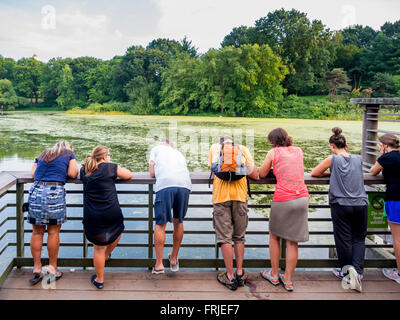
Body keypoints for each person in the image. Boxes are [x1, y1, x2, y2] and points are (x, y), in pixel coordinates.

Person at [311, 127, 368, 292]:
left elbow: (315, 173)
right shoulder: (358, 159)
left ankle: (347, 274)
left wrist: (331, 173)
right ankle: (358, 272)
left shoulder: (332, 159)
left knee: (343, 239)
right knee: (359, 239)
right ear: (347, 146)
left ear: (332, 146)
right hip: (361, 203)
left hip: (341, 205)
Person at [258, 128, 309, 292]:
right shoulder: (298, 150)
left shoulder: (273, 152)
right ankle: (287, 279)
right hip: (301, 197)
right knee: (292, 241)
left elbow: (262, 172)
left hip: (283, 198)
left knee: (274, 237)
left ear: (273, 142)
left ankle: (274, 275)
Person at [209, 136, 258, 290]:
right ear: (233, 143)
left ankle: (229, 276)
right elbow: (253, 173)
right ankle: (239, 272)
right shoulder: (243, 149)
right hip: (240, 197)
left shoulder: (214, 148)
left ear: (221, 143)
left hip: (220, 198)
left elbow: (212, 168)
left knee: (224, 238)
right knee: (239, 236)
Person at [80, 146, 132, 289]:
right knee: (119, 228)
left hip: (92, 214)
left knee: (98, 248)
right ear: (104, 157)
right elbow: (128, 175)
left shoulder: (84, 170)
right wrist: (117, 167)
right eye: (108, 154)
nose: (109, 157)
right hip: (111, 211)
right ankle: (107, 253)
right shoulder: (110, 168)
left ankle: (100, 279)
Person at [28, 140, 79, 285]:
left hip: (35, 191)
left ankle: (37, 267)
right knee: (53, 232)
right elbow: (73, 173)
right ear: (68, 148)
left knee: (37, 232)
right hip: (54, 192)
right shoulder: (69, 153)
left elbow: (33, 174)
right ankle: (52, 269)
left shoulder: (44, 153)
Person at [149, 139, 192, 274]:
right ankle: (173, 259)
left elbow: (152, 173)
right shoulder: (178, 153)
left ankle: (159, 264)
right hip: (185, 185)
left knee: (161, 224)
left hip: (166, 185)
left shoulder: (156, 150)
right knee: (178, 221)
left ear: (161, 144)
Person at [370, 134, 400, 285]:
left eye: (379, 145)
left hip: (396, 198)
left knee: (398, 238)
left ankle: (399, 273)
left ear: (385, 146)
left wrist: (381, 158)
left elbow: (373, 172)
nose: (379, 147)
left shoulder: (386, 158)